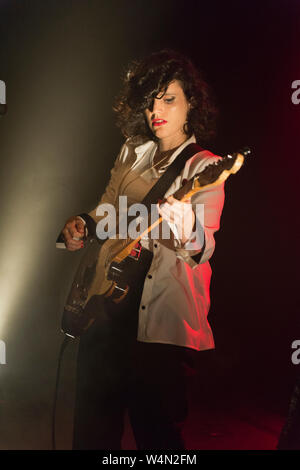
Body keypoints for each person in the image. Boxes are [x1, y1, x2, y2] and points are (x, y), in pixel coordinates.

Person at [60, 49, 225, 450]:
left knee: (158, 437)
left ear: (192, 105)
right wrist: (82, 222)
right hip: (106, 307)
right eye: (151, 98)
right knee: (92, 431)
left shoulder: (205, 167)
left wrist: (185, 226)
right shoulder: (132, 150)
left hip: (161, 324)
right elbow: (108, 208)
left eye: (169, 98)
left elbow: (203, 248)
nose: (157, 108)